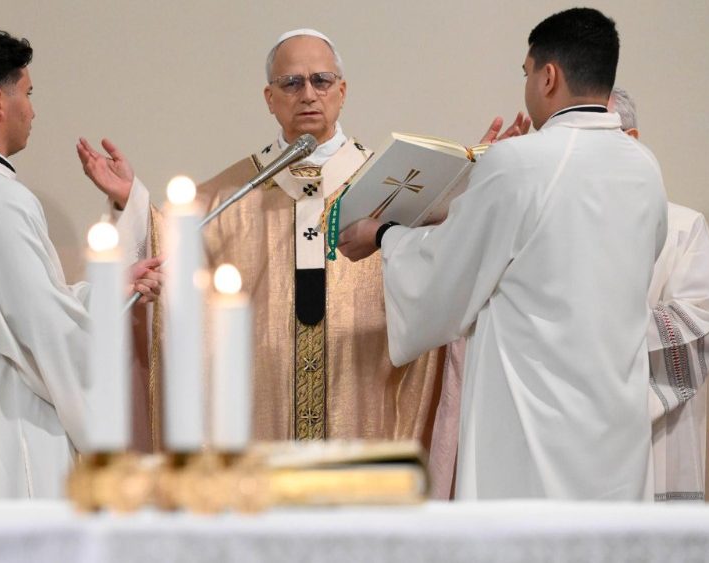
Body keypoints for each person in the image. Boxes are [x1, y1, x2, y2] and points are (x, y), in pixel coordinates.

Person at [78, 29, 528, 445]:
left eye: (321, 80)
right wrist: (129, 202)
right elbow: (167, 255)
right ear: (269, 98)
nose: (308, 94)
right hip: (264, 403)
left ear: (342, 91)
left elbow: (450, 253)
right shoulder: (229, 194)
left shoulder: (390, 182)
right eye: (291, 83)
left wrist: (474, 179)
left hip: (366, 386)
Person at [338, 8, 668, 500]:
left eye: (527, 73)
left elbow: (448, 272)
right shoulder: (644, 167)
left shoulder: (523, 163)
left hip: (535, 425)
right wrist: (484, 186)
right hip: (614, 427)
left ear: (548, 76)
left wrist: (382, 234)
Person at [0, 28, 161, 499]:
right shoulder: (1, 199)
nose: (33, 110)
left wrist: (109, 288)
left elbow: (12, 312)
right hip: (4, 452)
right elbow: (47, 337)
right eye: (28, 93)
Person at [609, 87, 709, 501]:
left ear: (631, 140)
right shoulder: (554, 229)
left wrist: (606, 333)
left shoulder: (681, 226)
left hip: (656, 438)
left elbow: (706, 315)